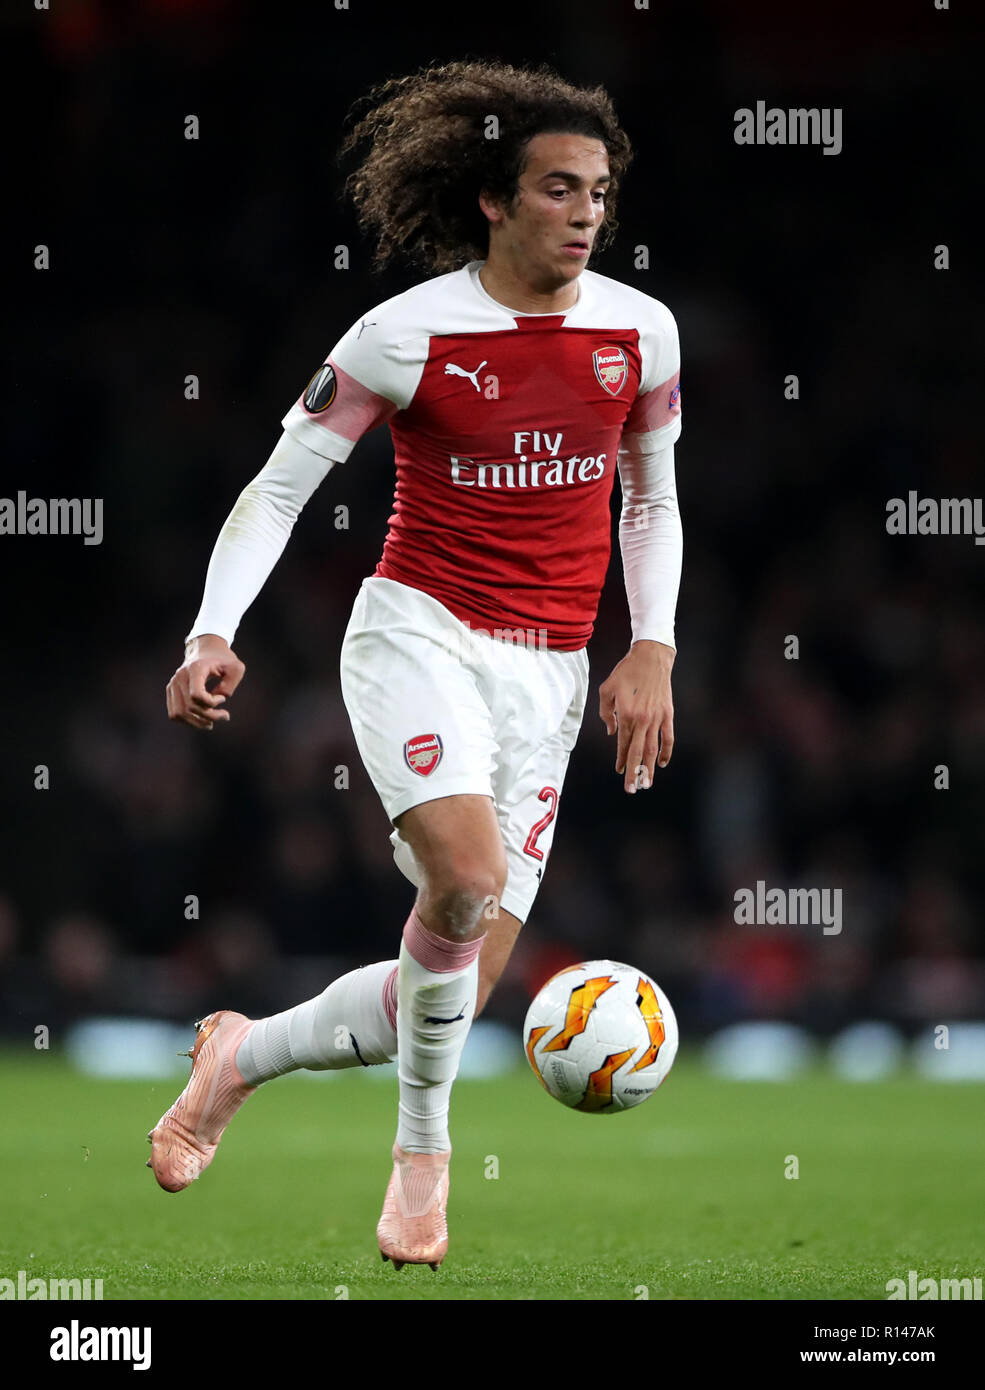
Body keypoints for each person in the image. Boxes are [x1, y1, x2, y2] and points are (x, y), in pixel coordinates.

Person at [150, 59, 683, 1272]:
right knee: (464, 878)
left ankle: (239, 1056)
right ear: (495, 201)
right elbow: (278, 490)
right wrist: (211, 630)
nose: (587, 211)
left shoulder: (639, 332)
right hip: (419, 635)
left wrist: (649, 645)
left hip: (548, 675)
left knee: (435, 990)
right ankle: (423, 1156)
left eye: (598, 189)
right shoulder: (405, 334)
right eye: (559, 188)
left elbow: (650, 501)